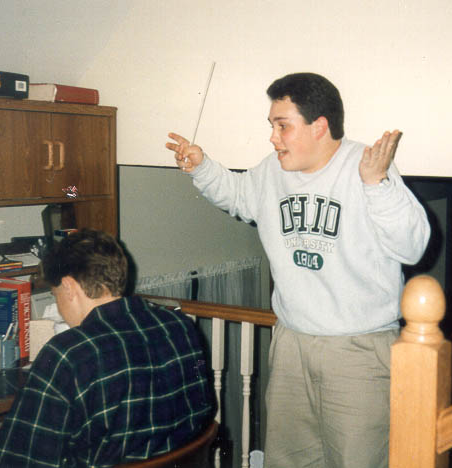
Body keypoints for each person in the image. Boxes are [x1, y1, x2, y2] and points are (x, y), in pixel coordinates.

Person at [166, 72, 430, 468]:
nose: (273, 138)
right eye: (272, 126)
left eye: (282, 126)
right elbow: (238, 195)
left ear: (319, 126)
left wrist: (377, 184)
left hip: (358, 351)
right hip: (291, 344)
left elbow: (413, 246)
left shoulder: (367, 166)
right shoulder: (272, 171)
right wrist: (202, 167)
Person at [0, 229, 215, 467]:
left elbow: (16, 461)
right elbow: (202, 411)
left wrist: (8, 435)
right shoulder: (180, 325)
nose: (58, 307)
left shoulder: (68, 353)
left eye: (55, 295)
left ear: (68, 287)